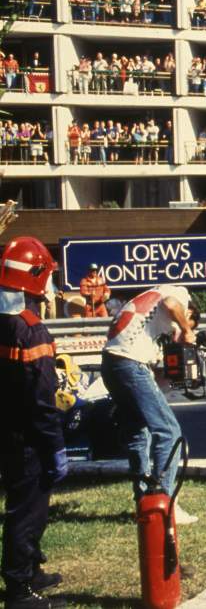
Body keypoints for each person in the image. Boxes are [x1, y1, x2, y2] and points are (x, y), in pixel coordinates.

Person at [0, 237, 67, 609]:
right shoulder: (31, 329)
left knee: (24, 505)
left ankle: (32, 568)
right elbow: (42, 399)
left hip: (6, 429)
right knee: (27, 510)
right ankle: (20, 590)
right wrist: (55, 445)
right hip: (29, 436)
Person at [101, 284, 200, 523]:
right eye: (187, 322)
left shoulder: (147, 306)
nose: (176, 330)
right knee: (169, 431)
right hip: (130, 363)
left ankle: (143, 504)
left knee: (137, 432)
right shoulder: (179, 295)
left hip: (111, 362)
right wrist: (187, 331)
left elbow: (152, 379)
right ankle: (163, 506)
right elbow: (171, 304)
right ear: (189, 312)